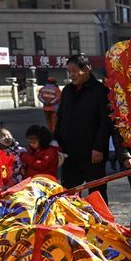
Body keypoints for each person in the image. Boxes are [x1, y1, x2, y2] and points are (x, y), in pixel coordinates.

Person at [54, 53, 112, 202]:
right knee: (69, 190)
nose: (71, 75)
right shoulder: (67, 91)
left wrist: (98, 147)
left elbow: (105, 122)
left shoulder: (100, 91)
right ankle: (74, 222)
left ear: (86, 69)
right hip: (69, 152)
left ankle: (102, 222)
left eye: (74, 71)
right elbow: (60, 118)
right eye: (69, 72)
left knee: (97, 192)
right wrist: (56, 143)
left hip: (92, 152)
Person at [0, 123, 26, 187]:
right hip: (6, 182)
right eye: (2, 136)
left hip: (22, 178)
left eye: (8, 135)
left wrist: (24, 167)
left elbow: (27, 162)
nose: (6, 137)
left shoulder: (21, 150)